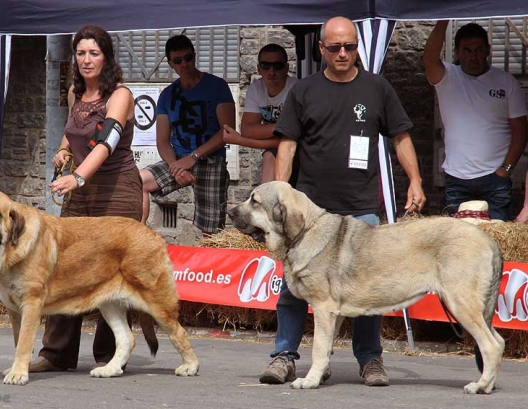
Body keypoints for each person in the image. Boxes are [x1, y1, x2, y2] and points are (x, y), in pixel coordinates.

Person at [262, 16, 426, 387]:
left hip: (361, 206)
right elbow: (286, 145)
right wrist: (279, 196)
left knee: (365, 289)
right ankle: (284, 356)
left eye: (349, 47)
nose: (342, 53)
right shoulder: (303, 91)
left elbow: (400, 137)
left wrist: (415, 180)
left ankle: (370, 360)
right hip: (310, 215)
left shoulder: (376, 88)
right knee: (293, 288)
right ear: (321, 49)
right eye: (334, 47)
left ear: (357, 48)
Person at [29, 25, 142, 372]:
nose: (86, 60)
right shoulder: (75, 93)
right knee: (62, 267)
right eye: (80, 53)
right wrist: (63, 151)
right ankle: (56, 353)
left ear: (106, 57)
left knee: (112, 273)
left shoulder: (120, 95)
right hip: (80, 190)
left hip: (117, 190)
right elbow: (70, 129)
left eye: (94, 53)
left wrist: (77, 176)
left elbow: (106, 143)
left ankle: (110, 356)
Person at [423, 21, 528, 221]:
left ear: (488, 50)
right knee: (460, 243)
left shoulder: (506, 82)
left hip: (495, 179)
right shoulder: (448, 77)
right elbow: (429, 59)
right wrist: (443, 18)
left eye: (479, 50)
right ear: (456, 53)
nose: (473, 56)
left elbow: (521, 132)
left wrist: (505, 170)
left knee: (498, 239)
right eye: (467, 50)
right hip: (457, 179)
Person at [140, 35, 235, 234]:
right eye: (178, 60)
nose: (184, 64)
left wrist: (193, 157)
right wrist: (176, 166)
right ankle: (136, 239)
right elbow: (162, 140)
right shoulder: (167, 94)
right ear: (170, 64)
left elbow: (227, 131)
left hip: (210, 160)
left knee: (210, 231)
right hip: (178, 161)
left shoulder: (217, 86)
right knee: (138, 181)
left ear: (194, 56)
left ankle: (210, 264)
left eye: (188, 57)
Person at [223, 43, 298, 184]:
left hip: (301, 152)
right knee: (270, 154)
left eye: (278, 66)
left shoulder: (296, 89)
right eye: (265, 65)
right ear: (258, 68)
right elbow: (248, 130)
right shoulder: (256, 89)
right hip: (276, 150)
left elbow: (289, 141)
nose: (272, 71)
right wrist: (281, 128)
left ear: (287, 68)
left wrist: (240, 140)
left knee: (272, 154)